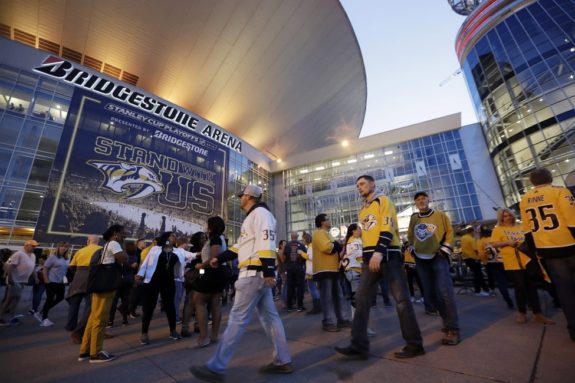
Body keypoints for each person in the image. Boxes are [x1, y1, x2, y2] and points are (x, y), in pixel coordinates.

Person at [190, 185, 293, 382]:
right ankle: (283, 360)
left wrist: (269, 270)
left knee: (237, 319)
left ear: (250, 197)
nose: (240, 198)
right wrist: (219, 259)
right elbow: (239, 247)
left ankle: (216, 367)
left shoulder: (260, 213)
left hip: (253, 275)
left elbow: (267, 242)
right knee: (270, 319)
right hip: (256, 275)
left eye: (242, 195)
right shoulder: (252, 217)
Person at [336, 175, 424, 359]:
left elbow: (387, 227)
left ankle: (415, 344)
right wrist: (370, 256)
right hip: (370, 259)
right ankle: (359, 345)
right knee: (361, 299)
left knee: (401, 300)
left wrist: (379, 252)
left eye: (362, 184)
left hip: (388, 255)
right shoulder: (363, 210)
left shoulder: (383, 201)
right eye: (357, 185)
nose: (359, 187)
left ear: (372, 183)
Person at [520, 167, 574, 340]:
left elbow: (527, 231)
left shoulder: (525, 199)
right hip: (569, 244)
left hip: (547, 250)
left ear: (532, 182)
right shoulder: (560, 192)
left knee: (564, 290)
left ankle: (573, 329)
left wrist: (535, 252)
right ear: (550, 178)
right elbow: (572, 220)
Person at [407, 191, 460, 345]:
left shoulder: (440, 215)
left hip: (438, 257)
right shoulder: (414, 218)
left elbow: (450, 232)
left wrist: (445, 248)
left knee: (445, 292)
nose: (421, 201)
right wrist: (411, 247)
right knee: (431, 293)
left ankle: (453, 329)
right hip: (421, 259)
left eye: (423, 198)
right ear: (415, 203)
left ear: (428, 199)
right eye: (417, 199)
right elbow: (411, 235)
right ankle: (446, 322)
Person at [491, 208, 554, 325]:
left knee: (532, 287)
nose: (508, 217)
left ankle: (537, 313)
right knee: (520, 287)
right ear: (501, 218)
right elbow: (494, 244)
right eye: (505, 216)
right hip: (512, 262)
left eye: (509, 215)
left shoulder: (520, 227)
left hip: (528, 260)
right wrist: (507, 243)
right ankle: (522, 312)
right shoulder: (498, 230)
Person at [78, 224, 127, 363]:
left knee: (93, 318)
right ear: (116, 233)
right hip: (106, 286)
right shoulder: (114, 243)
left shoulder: (108, 244)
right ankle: (96, 352)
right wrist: (123, 247)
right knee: (101, 318)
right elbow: (123, 258)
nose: (125, 235)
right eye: (123, 233)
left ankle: (85, 350)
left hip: (100, 285)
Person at [136, 231, 183, 344]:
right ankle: (144, 333)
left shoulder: (178, 251)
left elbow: (189, 257)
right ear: (166, 238)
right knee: (149, 307)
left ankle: (173, 331)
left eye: (175, 236)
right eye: (172, 236)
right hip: (153, 281)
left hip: (169, 282)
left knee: (170, 306)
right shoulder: (155, 249)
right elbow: (146, 263)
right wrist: (140, 274)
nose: (174, 237)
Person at [193, 217, 228, 348]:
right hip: (218, 272)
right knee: (215, 303)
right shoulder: (220, 238)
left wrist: (201, 266)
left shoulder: (216, 239)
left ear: (211, 226)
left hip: (211, 272)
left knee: (199, 301)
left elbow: (214, 258)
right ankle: (213, 336)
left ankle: (203, 337)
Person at [312, 213, 350, 332]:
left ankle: (341, 319)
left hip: (332, 269)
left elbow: (332, 247)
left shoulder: (326, 234)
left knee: (338, 296)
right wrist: (338, 245)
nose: (330, 221)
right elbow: (326, 247)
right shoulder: (319, 233)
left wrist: (338, 246)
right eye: (327, 219)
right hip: (324, 269)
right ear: (322, 222)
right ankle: (327, 321)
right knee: (327, 296)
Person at [66, 235, 101, 344]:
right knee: (89, 305)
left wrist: (77, 275)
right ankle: (81, 328)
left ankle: (70, 325)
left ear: (88, 241)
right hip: (93, 278)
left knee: (74, 303)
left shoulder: (80, 251)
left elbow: (72, 266)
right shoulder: (101, 250)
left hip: (78, 278)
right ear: (98, 241)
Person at [0, 240, 38, 326]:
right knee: (11, 300)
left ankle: (8, 317)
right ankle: (8, 317)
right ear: (26, 245)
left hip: (22, 281)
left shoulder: (33, 256)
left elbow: (32, 267)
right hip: (14, 280)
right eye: (32, 246)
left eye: (35, 246)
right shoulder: (18, 254)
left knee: (12, 299)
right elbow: (8, 265)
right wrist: (10, 278)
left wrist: (35, 277)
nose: (34, 247)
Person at [478, 228, 514, 309]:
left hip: (493, 263)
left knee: (501, 283)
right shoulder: (498, 239)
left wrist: (485, 261)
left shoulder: (481, 241)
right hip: (505, 261)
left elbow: (481, 254)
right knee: (516, 280)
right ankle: (525, 301)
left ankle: (508, 301)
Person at [38, 242, 70, 327]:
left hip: (60, 282)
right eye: (62, 246)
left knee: (60, 297)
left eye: (65, 247)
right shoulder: (53, 257)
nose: (63, 248)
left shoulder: (66, 259)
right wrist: (46, 280)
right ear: (58, 247)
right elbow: (45, 268)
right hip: (51, 281)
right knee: (49, 299)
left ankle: (42, 311)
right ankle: (44, 319)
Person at [107, 240, 138, 327]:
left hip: (118, 280)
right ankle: (124, 320)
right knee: (125, 301)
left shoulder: (121, 257)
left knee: (114, 301)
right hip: (128, 281)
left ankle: (110, 321)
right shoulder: (135, 257)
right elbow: (134, 270)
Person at [460, 226, 490, 296]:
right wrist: (480, 256)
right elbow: (475, 249)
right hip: (474, 258)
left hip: (466, 258)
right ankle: (478, 291)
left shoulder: (463, 238)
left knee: (478, 274)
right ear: (472, 232)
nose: (475, 234)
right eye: (474, 232)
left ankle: (485, 289)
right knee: (478, 275)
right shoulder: (471, 239)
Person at [283, 232, 307, 312]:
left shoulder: (287, 245)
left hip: (289, 269)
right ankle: (300, 306)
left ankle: (289, 306)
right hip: (299, 268)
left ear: (291, 237)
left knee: (290, 287)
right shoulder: (302, 245)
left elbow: (284, 257)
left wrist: (287, 264)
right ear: (297, 236)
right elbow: (305, 257)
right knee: (300, 287)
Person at [302, 232, 321, 314]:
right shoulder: (313, 246)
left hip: (311, 270)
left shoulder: (311, 247)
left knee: (313, 289)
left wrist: (302, 253)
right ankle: (318, 306)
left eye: (303, 240)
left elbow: (310, 257)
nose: (303, 242)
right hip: (314, 269)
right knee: (314, 289)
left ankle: (317, 307)